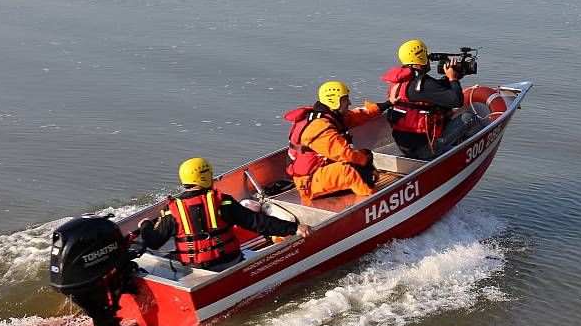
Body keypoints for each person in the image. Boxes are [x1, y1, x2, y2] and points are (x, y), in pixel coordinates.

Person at [138, 158, 312, 271]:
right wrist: (295, 227)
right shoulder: (222, 201)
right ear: (205, 177)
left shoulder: (172, 210)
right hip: (230, 263)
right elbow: (257, 222)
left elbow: (154, 242)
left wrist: (145, 225)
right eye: (211, 175)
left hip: (194, 270)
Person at [283, 81, 392, 201]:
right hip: (309, 183)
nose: (349, 103)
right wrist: (366, 165)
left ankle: (363, 185)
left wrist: (387, 104)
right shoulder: (318, 127)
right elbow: (345, 154)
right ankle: (374, 200)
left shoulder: (330, 116)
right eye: (346, 100)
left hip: (321, 170)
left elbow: (358, 115)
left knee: (365, 155)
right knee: (352, 170)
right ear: (334, 102)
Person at [381, 39, 479, 160]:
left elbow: (431, 91)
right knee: (469, 117)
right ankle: (466, 149)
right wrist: (453, 79)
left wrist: (448, 78)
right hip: (426, 149)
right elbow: (457, 101)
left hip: (404, 147)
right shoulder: (426, 84)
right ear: (421, 58)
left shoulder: (399, 82)